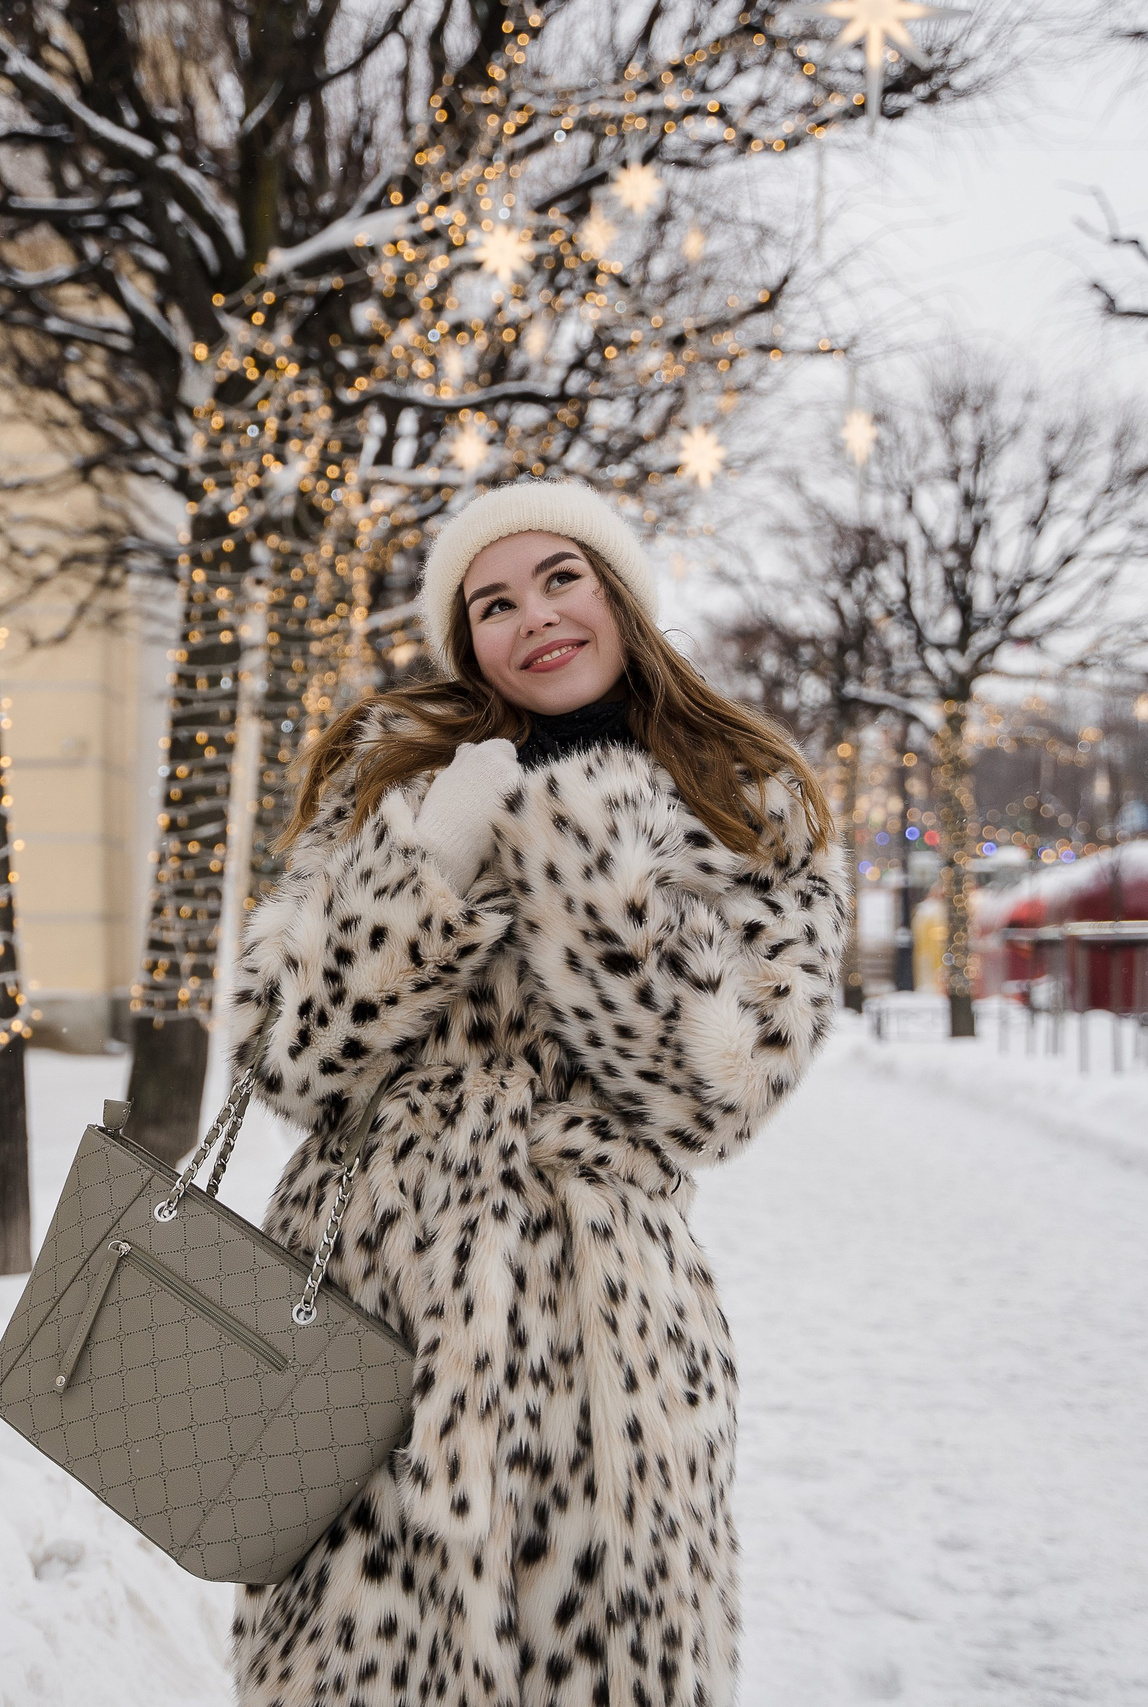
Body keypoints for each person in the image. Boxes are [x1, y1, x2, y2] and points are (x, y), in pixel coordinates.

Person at [227, 478, 848, 1707]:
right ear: (468, 642)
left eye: (559, 577)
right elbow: (285, 1053)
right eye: (492, 602)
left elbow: (715, 1095)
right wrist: (432, 863)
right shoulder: (389, 772)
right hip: (366, 1318)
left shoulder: (744, 792)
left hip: (608, 1333)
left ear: (616, 591)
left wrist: (580, 850)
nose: (534, 618)